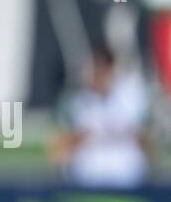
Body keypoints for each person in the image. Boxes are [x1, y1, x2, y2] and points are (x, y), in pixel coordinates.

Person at [52, 45, 152, 188]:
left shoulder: (131, 101)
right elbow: (57, 149)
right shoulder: (75, 103)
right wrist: (80, 136)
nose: (95, 75)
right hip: (88, 177)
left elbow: (148, 143)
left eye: (100, 69)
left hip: (126, 177)